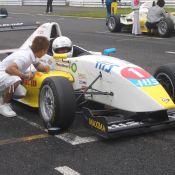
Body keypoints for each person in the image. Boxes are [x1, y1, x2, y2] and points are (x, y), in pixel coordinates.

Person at [0, 36, 50, 117]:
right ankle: (4, 105)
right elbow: (9, 69)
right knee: (15, 80)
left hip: (3, 75)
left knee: (21, 92)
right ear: (42, 50)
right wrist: (24, 76)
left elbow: (39, 66)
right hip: (2, 73)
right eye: (46, 50)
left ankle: (2, 97)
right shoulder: (25, 57)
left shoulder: (32, 53)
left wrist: (47, 68)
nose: (45, 53)